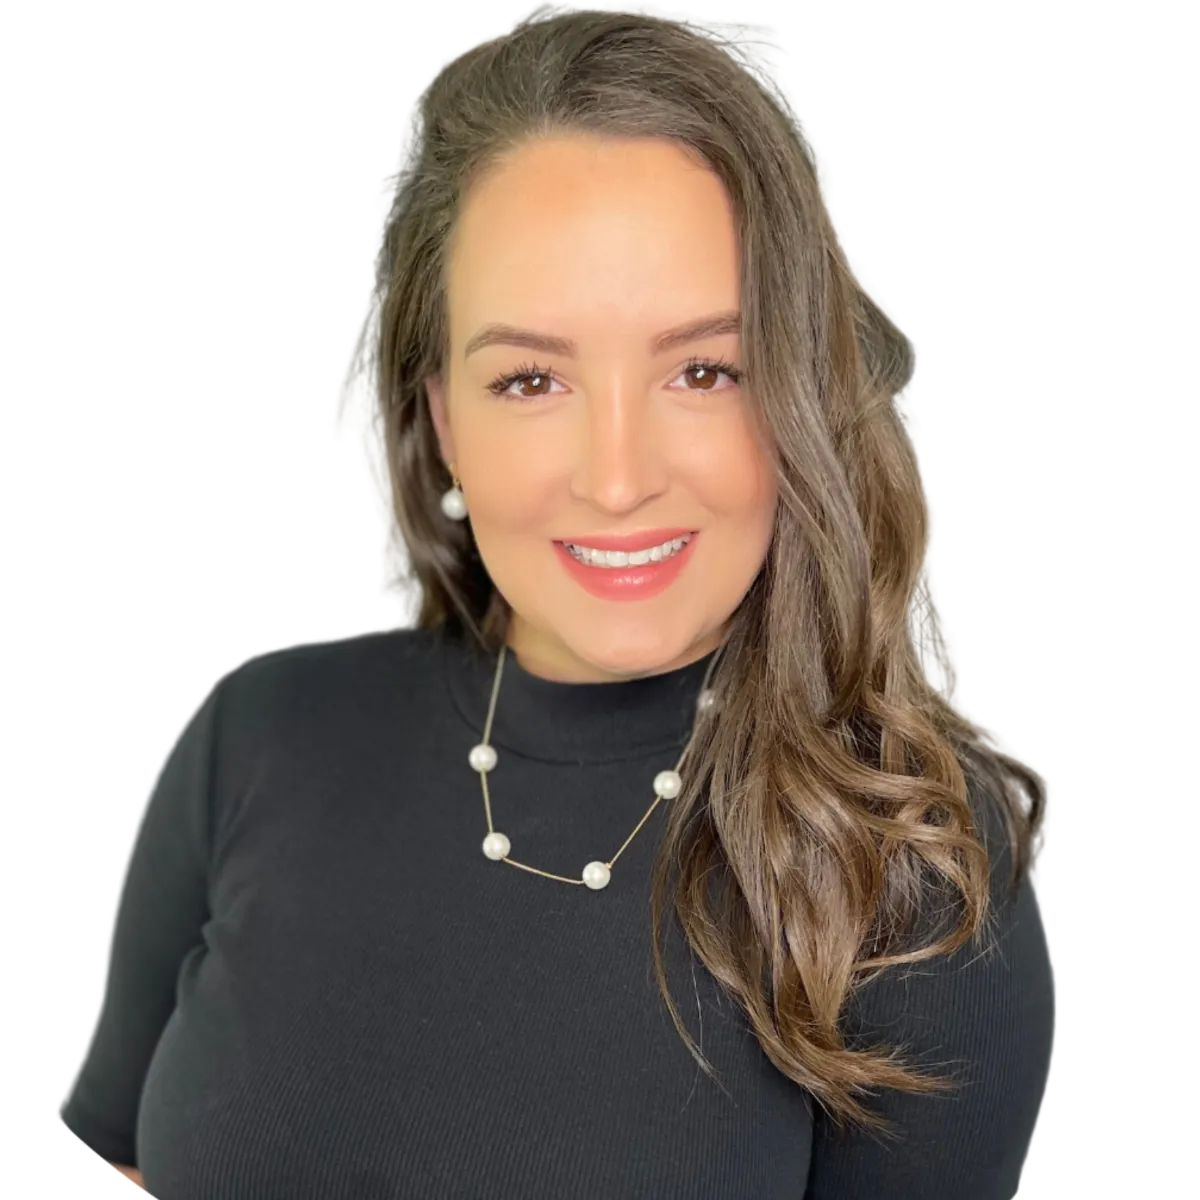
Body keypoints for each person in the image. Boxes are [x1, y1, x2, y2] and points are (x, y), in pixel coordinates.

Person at [57, 5, 1054, 1197]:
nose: (617, 477)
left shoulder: (909, 866)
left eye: (703, 370)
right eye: (531, 379)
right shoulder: (256, 736)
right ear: (443, 419)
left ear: (799, 396)